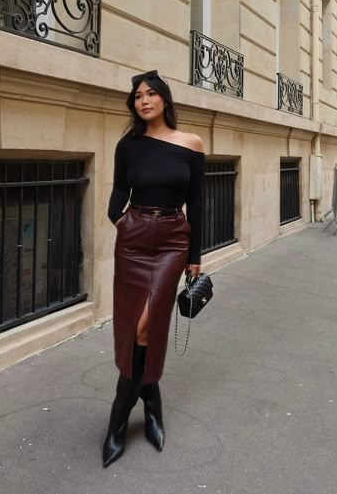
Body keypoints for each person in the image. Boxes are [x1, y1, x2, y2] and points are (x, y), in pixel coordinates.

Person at [102, 70, 205, 467]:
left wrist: (195, 256)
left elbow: (196, 202)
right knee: (133, 326)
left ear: (164, 99)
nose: (143, 101)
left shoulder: (190, 144)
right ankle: (151, 404)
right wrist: (121, 221)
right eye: (138, 96)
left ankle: (116, 420)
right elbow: (117, 191)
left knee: (147, 325)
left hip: (172, 243)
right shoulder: (128, 145)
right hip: (133, 238)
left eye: (150, 94)